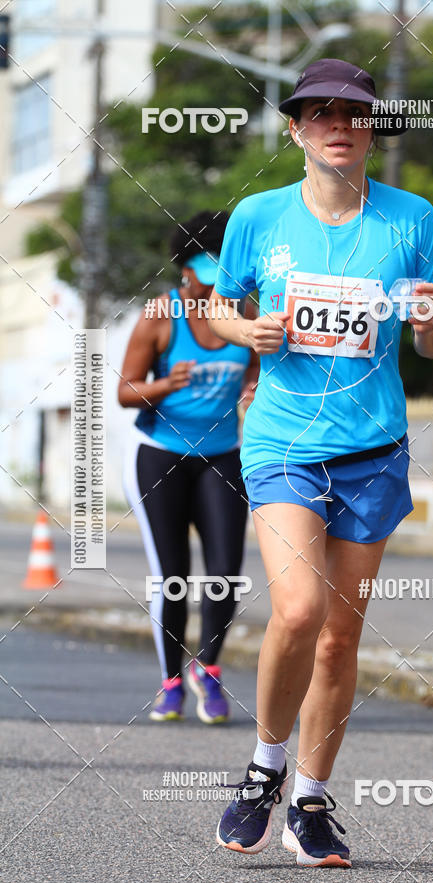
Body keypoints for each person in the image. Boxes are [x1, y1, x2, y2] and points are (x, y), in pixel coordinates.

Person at [208, 59, 433, 866]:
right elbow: (216, 304)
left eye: (351, 113)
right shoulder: (258, 215)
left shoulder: (412, 219)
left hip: (374, 448)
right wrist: (244, 332)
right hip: (282, 440)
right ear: (295, 131)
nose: (336, 125)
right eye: (317, 114)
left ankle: (310, 801)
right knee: (298, 611)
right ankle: (262, 768)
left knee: (341, 640)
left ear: (373, 127)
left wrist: (428, 323)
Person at [118, 211, 258, 724]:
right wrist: (165, 385)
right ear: (186, 265)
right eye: (207, 259)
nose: (216, 269)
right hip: (162, 458)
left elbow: (257, 373)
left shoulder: (244, 313)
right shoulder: (160, 314)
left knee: (225, 573)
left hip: (223, 457)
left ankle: (210, 671)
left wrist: (252, 389)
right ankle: (171, 681)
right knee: (173, 576)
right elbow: (124, 391)